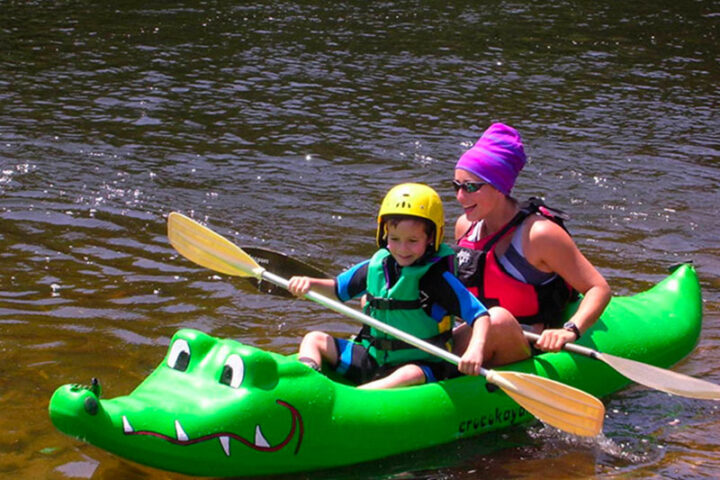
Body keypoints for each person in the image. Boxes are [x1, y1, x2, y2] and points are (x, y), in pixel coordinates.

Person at [288, 183, 490, 389]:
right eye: (395, 239)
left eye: (412, 240)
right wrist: (309, 284)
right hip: (371, 357)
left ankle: (358, 397)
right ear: (384, 234)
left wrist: (475, 350)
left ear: (431, 238)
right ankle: (307, 382)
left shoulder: (437, 279)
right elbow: (336, 289)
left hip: (420, 365)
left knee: (410, 373)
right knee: (313, 339)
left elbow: (480, 315)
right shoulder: (376, 266)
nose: (402, 249)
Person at [451, 123, 611, 376]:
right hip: (479, 333)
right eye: (456, 186)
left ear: (499, 186)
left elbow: (598, 288)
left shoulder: (539, 235)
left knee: (499, 319)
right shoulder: (465, 228)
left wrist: (570, 330)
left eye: (470, 187)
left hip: (526, 343)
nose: (460, 197)